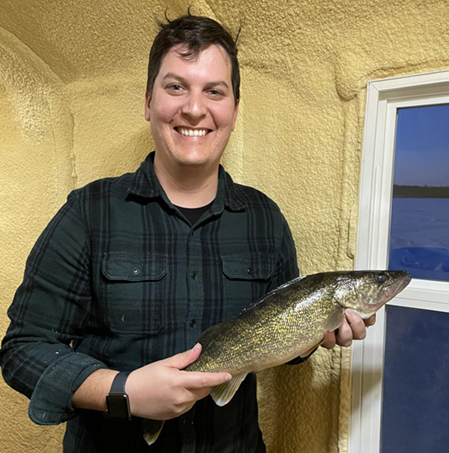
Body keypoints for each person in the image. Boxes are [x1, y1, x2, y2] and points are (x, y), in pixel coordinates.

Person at [0, 14, 374, 453]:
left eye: (214, 91)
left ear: (233, 109)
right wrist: (123, 391)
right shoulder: (88, 213)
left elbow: (280, 339)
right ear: (148, 102)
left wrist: (318, 333)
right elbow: (22, 350)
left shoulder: (264, 218)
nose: (195, 108)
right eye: (176, 87)